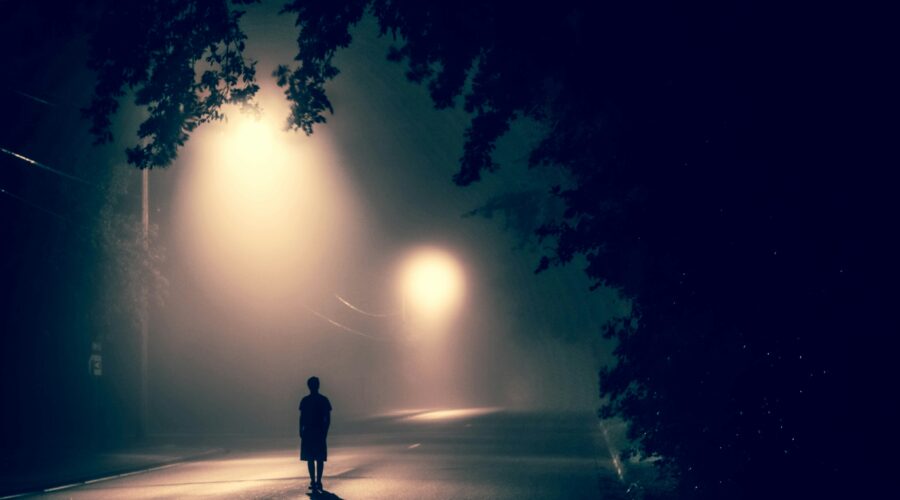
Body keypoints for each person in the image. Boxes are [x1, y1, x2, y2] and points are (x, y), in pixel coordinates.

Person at [299, 376, 332, 493]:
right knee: (319, 458)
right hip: (318, 431)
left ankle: (313, 480)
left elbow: (302, 418)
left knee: (310, 458)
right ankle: (318, 481)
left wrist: (300, 430)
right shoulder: (323, 400)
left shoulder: (305, 400)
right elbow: (327, 418)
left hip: (309, 431)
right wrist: (325, 431)